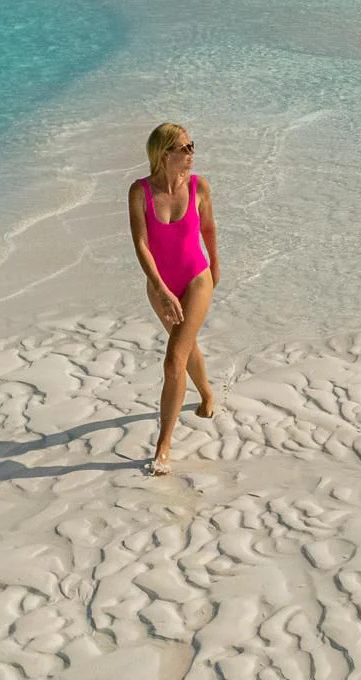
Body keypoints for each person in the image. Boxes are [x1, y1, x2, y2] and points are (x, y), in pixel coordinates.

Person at [127, 122, 219, 476]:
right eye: (184, 148)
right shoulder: (139, 192)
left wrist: (216, 266)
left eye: (192, 146)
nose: (191, 153)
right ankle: (208, 394)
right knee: (185, 345)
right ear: (163, 153)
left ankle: (162, 448)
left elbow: (209, 228)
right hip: (159, 285)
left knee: (173, 359)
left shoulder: (199, 187)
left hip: (197, 278)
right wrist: (161, 289)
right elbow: (141, 244)